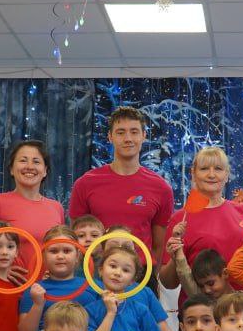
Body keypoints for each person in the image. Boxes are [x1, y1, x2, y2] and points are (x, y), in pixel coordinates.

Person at [68, 106, 174, 274]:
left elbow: (159, 246)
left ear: (144, 136)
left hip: (142, 274)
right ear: (110, 137)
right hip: (96, 274)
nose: (128, 138)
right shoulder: (85, 183)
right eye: (120, 132)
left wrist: (150, 276)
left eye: (134, 132)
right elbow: (76, 237)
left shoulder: (161, 188)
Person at [158, 147, 243, 297]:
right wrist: (174, 257)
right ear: (193, 174)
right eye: (204, 169)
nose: (211, 175)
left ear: (227, 175)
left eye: (218, 169)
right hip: (202, 307)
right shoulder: (180, 218)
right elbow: (168, 283)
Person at [0, 139, 65, 271]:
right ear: (11, 169)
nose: (29, 166)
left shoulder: (56, 207)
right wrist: (0, 272)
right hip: (8, 283)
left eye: (36, 162)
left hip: (50, 283)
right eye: (23, 160)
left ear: (45, 170)